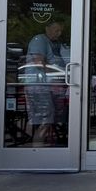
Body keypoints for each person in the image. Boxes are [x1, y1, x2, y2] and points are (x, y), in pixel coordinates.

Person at [25, 18, 69, 146]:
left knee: (53, 117)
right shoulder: (39, 40)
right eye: (56, 30)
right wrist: (60, 71)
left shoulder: (56, 44)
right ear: (47, 29)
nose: (59, 33)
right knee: (45, 118)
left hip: (52, 86)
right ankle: (36, 149)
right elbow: (39, 63)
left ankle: (44, 145)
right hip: (40, 85)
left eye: (60, 31)